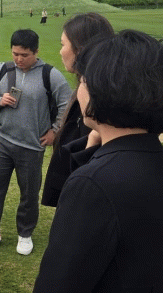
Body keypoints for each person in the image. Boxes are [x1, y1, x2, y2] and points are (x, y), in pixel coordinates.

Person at [34, 30, 163, 292]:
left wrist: (90, 171)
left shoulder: (92, 184)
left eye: (83, 80)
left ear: (105, 91)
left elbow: (57, 284)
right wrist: (94, 153)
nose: (79, 89)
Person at [0, 29, 71, 255]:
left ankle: (25, 234)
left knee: (29, 193)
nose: (19, 59)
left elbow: (66, 103)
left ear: (36, 51)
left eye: (24, 55)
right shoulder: (3, 69)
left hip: (32, 147)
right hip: (2, 141)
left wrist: (55, 131)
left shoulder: (50, 74)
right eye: (15, 53)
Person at [41, 13, 114, 207]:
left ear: (81, 49)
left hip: (88, 192)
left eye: (63, 44)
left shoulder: (97, 95)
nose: (60, 52)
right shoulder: (95, 86)